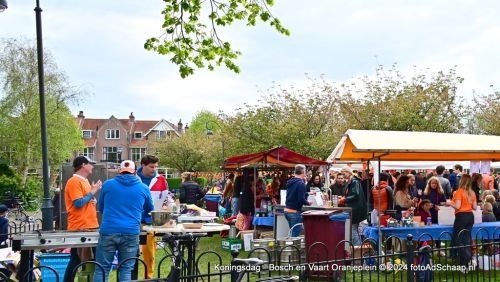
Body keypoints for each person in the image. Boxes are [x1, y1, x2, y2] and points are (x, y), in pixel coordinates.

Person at [94, 160, 154, 282]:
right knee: (126, 268)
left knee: (102, 268)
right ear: (135, 172)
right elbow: (150, 210)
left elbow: (100, 207)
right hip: (131, 231)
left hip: (109, 230)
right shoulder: (143, 187)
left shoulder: (107, 185)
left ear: (119, 171)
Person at [64, 156, 102, 282]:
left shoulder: (84, 181)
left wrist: (93, 199)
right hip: (80, 226)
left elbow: (85, 200)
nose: (92, 166)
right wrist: (93, 191)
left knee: (92, 258)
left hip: (90, 225)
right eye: (90, 164)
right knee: (76, 259)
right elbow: (78, 203)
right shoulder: (74, 181)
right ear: (83, 165)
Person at [137, 155, 169, 279]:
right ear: (143, 165)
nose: (154, 169)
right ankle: (129, 277)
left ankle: (148, 278)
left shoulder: (161, 179)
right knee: (131, 252)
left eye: (156, 166)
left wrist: (167, 207)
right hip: (133, 220)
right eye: (151, 166)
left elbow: (167, 198)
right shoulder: (133, 178)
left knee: (149, 253)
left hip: (151, 221)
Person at [446, 174, 477, 268]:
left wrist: (450, 203)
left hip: (461, 216)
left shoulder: (459, 191)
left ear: (461, 181)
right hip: (470, 216)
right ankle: (465, 263)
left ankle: (468, 258)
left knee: (458, 239)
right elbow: (475, 207)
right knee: (467, 239)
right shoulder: (472, 192)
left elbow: (458, 206)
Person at [339, 166, 366, 246]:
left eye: (344, 174)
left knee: (353, 229)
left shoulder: (354, 181)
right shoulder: (352, 181)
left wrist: (344, 199)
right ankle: (359, 249)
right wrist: (345, 198)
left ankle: (358, 249)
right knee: (354, 229)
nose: (343, 176)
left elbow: (355, 195)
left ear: (348, 172)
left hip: (355, 209)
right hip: (355, 208)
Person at [285, 164, 310, 237]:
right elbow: (301, 199)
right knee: (295, 236)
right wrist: (308, 202)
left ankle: (291, 247)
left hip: (287, 211)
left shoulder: (291, 181)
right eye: (305, 171)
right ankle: (293, 248)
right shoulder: (301, 183)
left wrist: (308, 193)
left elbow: (295, 193)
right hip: (294, 212)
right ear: (303, 172)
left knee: (292, 233)